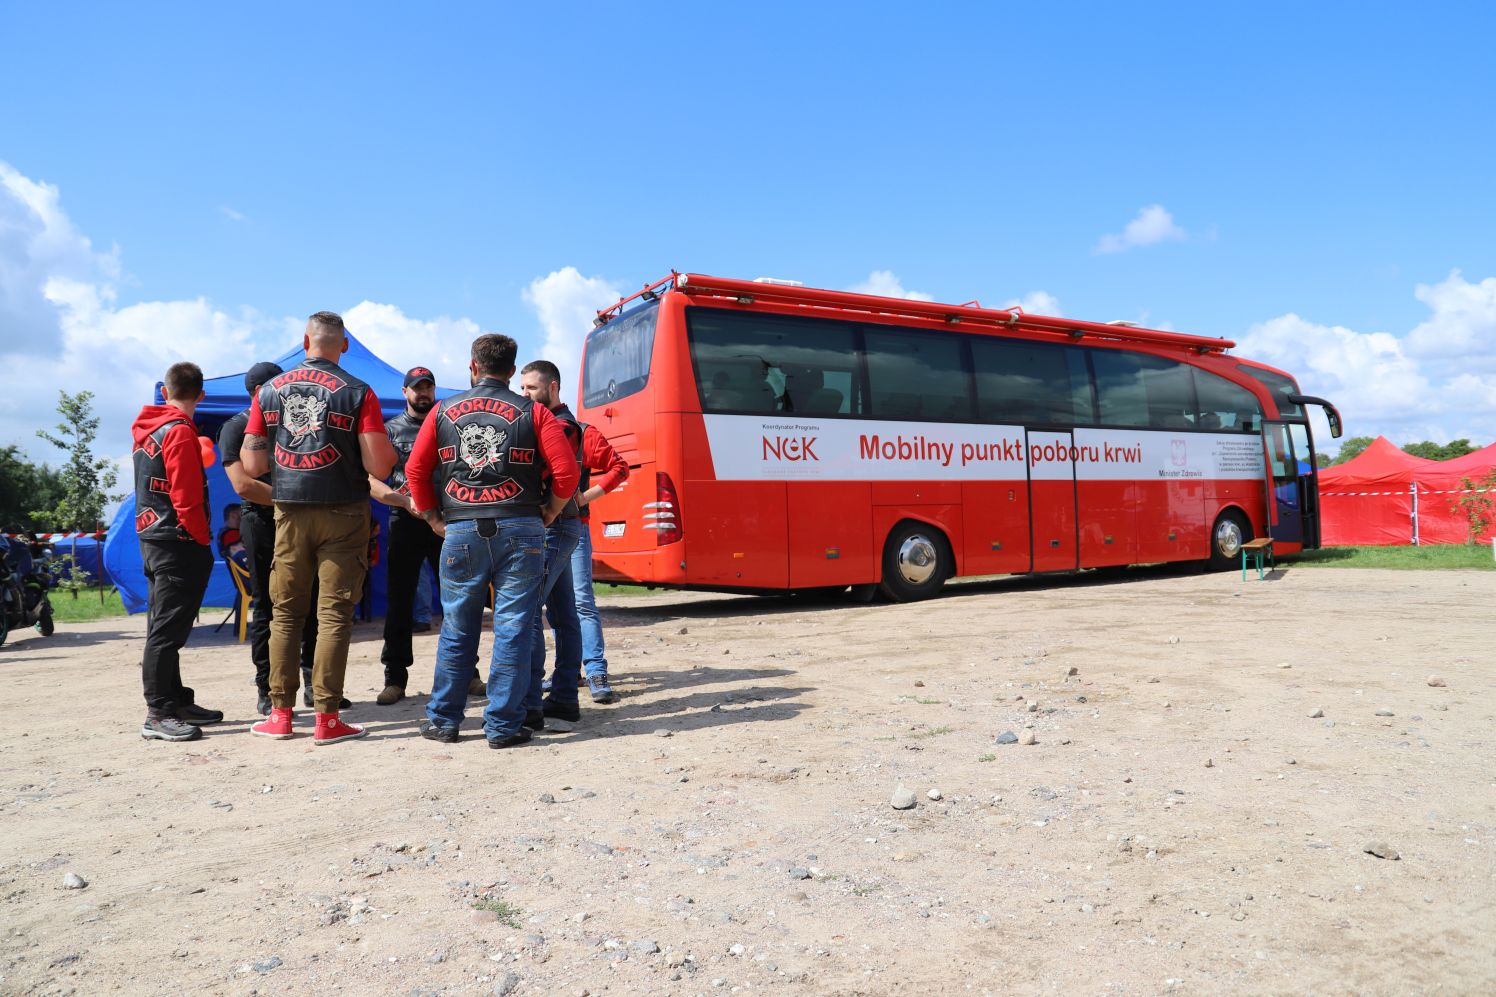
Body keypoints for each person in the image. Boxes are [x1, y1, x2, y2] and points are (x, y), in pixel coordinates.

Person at [403, 333, 578, 747]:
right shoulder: (535, 412)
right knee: (514, 626)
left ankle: (444, 720)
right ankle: (502, 726)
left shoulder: (442, 411)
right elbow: (568, 474)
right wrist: (550, 511)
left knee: (458, 627)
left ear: (472, 366)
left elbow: (415, 470)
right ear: (513, 371)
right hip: (521, 525)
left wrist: (431, 518)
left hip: (461, 525)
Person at [240, 311, 396, 744]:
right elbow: (379, 465)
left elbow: (252, 463)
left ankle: (280, 714)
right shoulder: (358, 391)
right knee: (333, 615)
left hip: (289, 510)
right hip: (344, 512)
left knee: (285, 614)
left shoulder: (268, 390)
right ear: (343, 344)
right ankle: (327, 718)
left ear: (304, 340)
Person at [518, 360, 630, 716]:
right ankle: (566, 681)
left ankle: (595, 671)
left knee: (580, 603)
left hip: (572, 527)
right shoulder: (530, 424)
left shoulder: (582, 430)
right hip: (544, 528)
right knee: (561, 607)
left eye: (531, 389)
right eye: (522, 389)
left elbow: (619, 468)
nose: (525, 395)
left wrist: (585, 497)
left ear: (553, 388)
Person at [220, 361, 330, 717]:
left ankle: (313, 683)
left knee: (313, 600)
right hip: (263, 522)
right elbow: (243, 485)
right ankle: (267, 687)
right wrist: (296, 497)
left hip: (300, 520)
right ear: (257, 392)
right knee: (268, 605)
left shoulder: (296, 424)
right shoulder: (236, 428)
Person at [131, 362, 222, 741]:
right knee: (167, 631)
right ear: (201, 395)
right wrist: (201, 539)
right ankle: (158, 713)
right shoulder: (181, 432)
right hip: (177, 541)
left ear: (165, 391)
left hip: (153, 537)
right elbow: (185, 495)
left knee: (165, 625)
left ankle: (176, 699)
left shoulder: (147, 430)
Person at [370, 366, 452, 706]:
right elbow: (371, 480)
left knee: (456, 601)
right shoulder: (389, 431)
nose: (423, 393)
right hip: (404, 522)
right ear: (405, 392)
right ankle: (395, 679)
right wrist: (404, 502)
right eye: (417, 388)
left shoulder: (448, 425)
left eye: (428, 387)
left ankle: (466, 673)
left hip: (445, 523)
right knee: (400, 602)